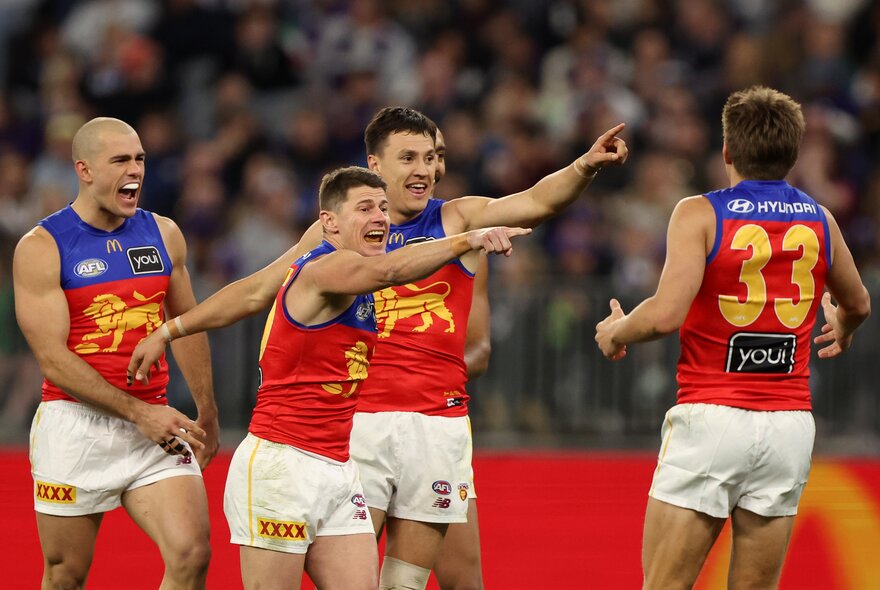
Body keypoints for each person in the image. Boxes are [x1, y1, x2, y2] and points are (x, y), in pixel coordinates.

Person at [129, 106, 627, 589]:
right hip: (354, 424)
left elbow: (538, 202)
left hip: (437, 422)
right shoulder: (340, 238)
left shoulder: (460, 218)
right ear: (375, 165)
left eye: (431, 157)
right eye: (409, 157)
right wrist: (174, 328)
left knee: (414, 583)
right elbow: (260, 289)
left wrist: (583, 166)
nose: (424, 170)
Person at [140, 165, 529, 589]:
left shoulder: (351, 280)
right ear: (329, 222)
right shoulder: (326, 269)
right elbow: (391, 272)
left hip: (339, 469)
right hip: (282, 465)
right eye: (365, 208)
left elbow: (252, 292)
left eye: (383, 208)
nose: (380, 217)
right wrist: (466, 240)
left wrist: (170, 329)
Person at [594, 86, 871, 589]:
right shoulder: (820, 219)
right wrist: (842, 329)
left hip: (712, 417)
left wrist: (615, 332)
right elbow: (858, 303)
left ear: (726, 151)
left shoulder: (699, 212)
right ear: (793, 154)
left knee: (665, 584)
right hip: (789, 424)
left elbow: (663, 315)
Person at [12, 117, 219, 589]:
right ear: (84, 169)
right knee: (66, 574)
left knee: (192, 554)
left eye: (140, 158)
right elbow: (53, 360)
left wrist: (207, 406)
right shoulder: (43, 247)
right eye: (120, 160)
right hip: (75, 425)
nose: (136, 170)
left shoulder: (164, 234)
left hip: (155, 425)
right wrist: (139, 413)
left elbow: (186, 327)